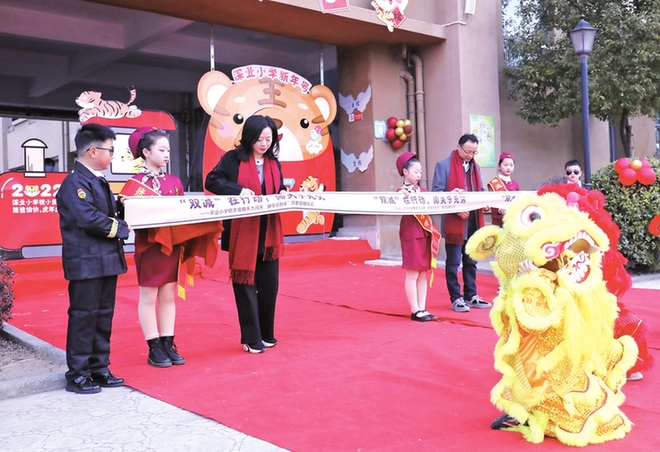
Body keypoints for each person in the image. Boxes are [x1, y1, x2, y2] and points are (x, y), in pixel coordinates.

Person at [56, 123, 130, 394]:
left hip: (105, 260)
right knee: (83, 317)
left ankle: (99, 369)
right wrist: (121, 228)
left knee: (102, 317)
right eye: (111, 150)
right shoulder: (75, 183)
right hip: (86, 262)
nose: (113, 156)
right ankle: (77, 374)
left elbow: (100, 212)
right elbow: (87, 218)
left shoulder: (96, 179)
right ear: (92, 150)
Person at [205, 115, 287, 354]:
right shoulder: (233, 159)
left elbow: (279, 185)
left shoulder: (274, 161)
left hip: (269, 231)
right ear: (249, 136)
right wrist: (239, 190)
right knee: (245, 284)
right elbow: (213, 181)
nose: (264, 143)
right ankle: (252, 338)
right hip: (243, 232)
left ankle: (267, 333)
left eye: (268, 139)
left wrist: (283, 192)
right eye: (260, 138)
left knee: (270, 284)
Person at [123, 127, 186, 368]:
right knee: (148, 296)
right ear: (146, 152)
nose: (167, 154)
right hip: (149, 246)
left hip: (172, 245)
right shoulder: (134, 184)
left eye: (168, 150)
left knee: (169, 295)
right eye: (161, 150)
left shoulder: (174, 181)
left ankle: (168, 342)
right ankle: (154, 345)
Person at [431, 133, 491, 313]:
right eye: (468, 151)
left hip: (473, 220)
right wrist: (454, 205)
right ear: (458, 147)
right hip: (454, 222)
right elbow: (437, 194)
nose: (470, 156)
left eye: (474, 152)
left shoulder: (475, 168)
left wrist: (484, 202)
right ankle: (456, 298)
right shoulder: (443, 166)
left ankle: (471, 295)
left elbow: (479, 190)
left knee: (471, 261)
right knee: (454, 262)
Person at [396, 152, 441, 322]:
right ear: (405, 172)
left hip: (425, 233)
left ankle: (422, 308)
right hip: (411, 234)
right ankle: (415, 309)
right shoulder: (401, 192)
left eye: (420, 171)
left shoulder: (423, 191)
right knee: (413, 273)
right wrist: (402, 195)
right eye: (415, 171)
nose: (419, 174)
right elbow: (398, 198)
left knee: (423, 272)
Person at [487, 152, 519, 227]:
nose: (508, 167)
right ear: (499, 166)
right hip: (498, 221)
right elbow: (492, 202)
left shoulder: (515, 184)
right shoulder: (494, 183)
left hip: (512, 220)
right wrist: (500, 210)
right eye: (505, 165)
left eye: (511, 165)